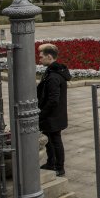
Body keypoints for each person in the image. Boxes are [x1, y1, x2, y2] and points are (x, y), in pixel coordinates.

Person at [37, 43, 71, 177]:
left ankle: (59, 167)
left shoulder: (53, 76)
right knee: (50, 141)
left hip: (53, 116)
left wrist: (42, 114)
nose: (39, 59)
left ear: (49, 57)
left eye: (41, 57)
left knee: (55, 141)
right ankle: (51, 163)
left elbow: (53, 100)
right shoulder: (53, 71)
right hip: (54, 116)